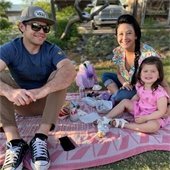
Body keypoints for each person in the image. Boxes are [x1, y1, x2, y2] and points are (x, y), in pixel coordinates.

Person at [0, 6, 76, 170]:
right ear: (22, 27)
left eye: (45, 27)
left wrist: (42, 91)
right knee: (1, 79)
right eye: (35, 26)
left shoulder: (51, 49)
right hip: (20, 104)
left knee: (60, 74)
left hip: (47, 106)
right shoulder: (10, 48)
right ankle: (14, 142)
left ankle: (40, 138)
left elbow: (69, 70)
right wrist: (9, 91)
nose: (41, 31)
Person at [97, 57, 170, 136]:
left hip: (153, 115)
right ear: (140, 73)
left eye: (153, 71)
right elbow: (138, 95)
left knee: (154, 126)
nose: (148, 74)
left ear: (159, 75)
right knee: (125, 101)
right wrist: (130, 103)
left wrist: (146, 118)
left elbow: (161, 112)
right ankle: (105, 118)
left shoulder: (160, 94)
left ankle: (124, 124)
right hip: (140, 108)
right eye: (145, 71)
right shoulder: (140, 85)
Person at [102, 14, 162, 103]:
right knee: (106, 75)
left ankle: (117, 96)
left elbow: (161, 81)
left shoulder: (148, 54)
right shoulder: (119, 52)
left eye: (129, 33)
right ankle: (117, 94)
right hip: (128, 83)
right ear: (116, 36)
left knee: (121, 96)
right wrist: (124, 83)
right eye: (121, 34)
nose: (124, 38)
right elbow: (119, 74)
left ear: (136, 35)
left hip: (142, 90)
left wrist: (168, 104)